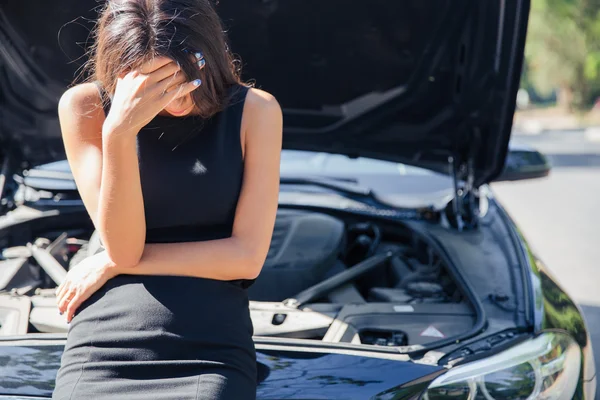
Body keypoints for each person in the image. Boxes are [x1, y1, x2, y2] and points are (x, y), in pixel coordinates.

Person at [51, 0, 282, 399]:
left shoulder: (255, 110)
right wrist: (119, 133)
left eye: (181, 78)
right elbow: (124, 246)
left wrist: (107, 262)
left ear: (207, 57)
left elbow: (246, 258)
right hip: (104, 343)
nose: (172, 98)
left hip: (208, 349)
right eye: (150, 83)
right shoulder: (85, 107)